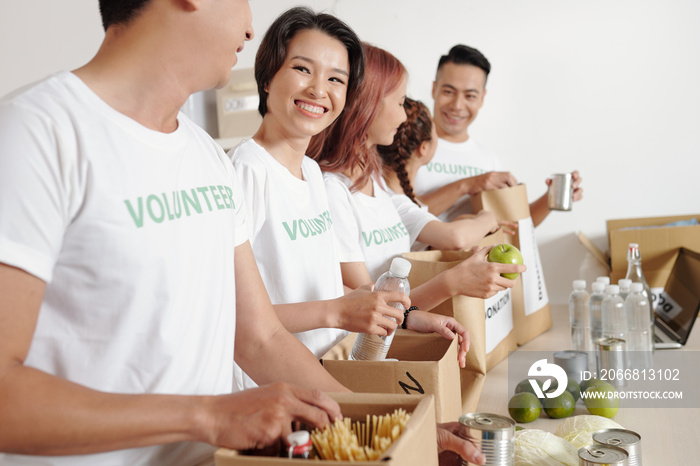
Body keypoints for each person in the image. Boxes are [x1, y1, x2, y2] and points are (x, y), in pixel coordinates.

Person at [0, 1, 351, 464]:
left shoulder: (205, 154)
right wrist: (207, 417)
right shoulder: (35, 133)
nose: (250, 29)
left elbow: (259, 338)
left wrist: (396, 423)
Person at [228, 9, 481, 464]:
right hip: (276, 401)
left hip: (325, 376)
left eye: (336, 79)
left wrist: (407, 317)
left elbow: (337, 288)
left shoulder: (310, 172)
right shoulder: (246, 171)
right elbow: (237, 323)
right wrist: (338, 313)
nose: (317, 90)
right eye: (302, 68)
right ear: (268, 76)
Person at [310, 43, 526, 318]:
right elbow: (369, 306)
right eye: (400, 103)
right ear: (368, 104)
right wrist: (452, 282)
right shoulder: (333, 190)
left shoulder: (377, 184)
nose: (403, 116)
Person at [413, 44, 583, 224]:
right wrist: (467, 185)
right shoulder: (407, 147)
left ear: (482, 98)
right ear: (434, 89)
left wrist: (552, 197)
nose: (457, 105)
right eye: (448, 92)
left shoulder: (488, 161)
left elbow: (514, 225)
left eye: (470, 95)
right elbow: (398, 219)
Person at [377, 97, 517, 247]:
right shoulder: (397, 203)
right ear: (423, 148)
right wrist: (487, 219)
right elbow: (456, 238)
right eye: (434, 131)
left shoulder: (393, 196)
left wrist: (458, 224)